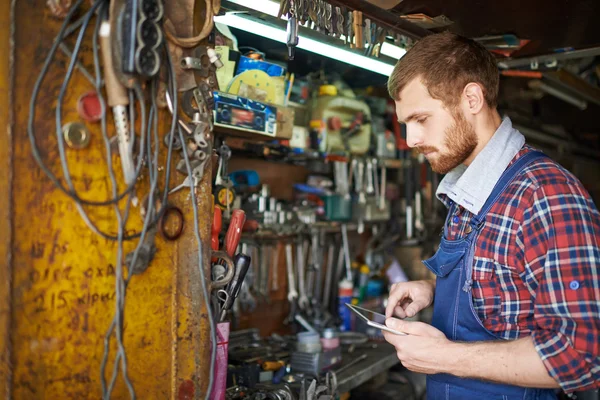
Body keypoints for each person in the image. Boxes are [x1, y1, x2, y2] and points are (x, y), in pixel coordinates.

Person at [383, 31, 600, 399]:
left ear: (472, 98)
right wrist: (433, 290)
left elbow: (581, 356)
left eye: (421, 119)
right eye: (406, 123)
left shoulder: (545, 197)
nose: (411, 139)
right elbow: (512, 289)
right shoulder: (467, 191)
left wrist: (444, 356)